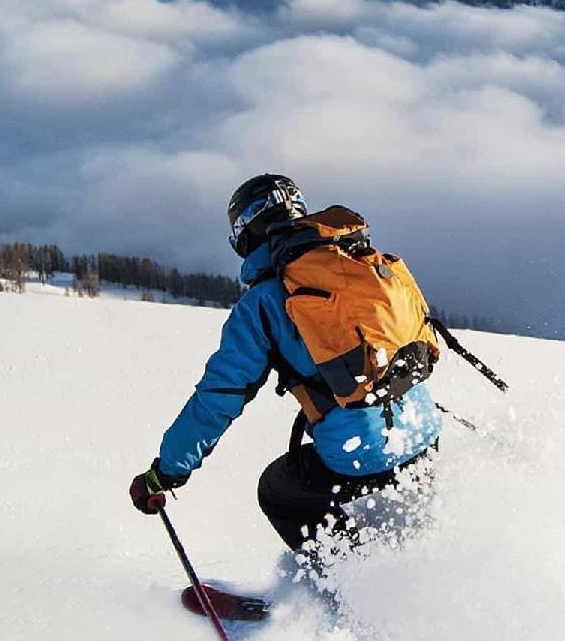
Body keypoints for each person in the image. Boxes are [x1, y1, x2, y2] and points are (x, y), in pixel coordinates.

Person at [129, 174, 442, 559]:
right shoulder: (354, 261)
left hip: (362, 456)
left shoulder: (263, 303)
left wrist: (167, 472)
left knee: (279, 492)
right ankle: (411, 573)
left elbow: (218, 398)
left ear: (245, 234)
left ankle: (353, 585)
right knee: (408, 514)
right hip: (425, 433)